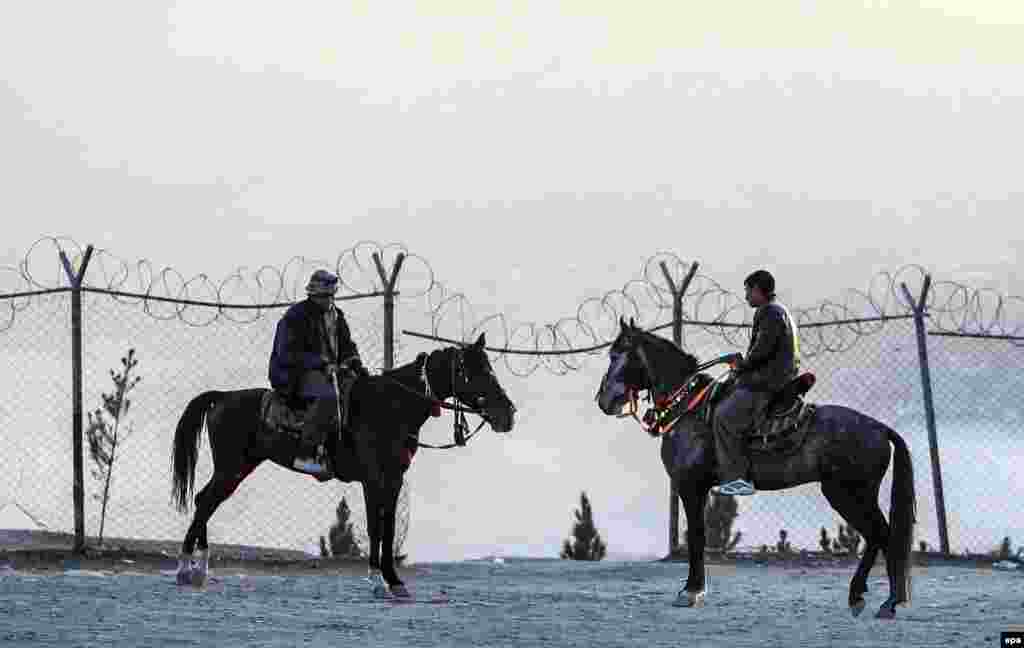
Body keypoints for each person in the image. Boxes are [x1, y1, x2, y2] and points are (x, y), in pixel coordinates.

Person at [268, 269, 369, 475]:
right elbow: (287, 353)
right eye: (325, 296)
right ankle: (306, 455)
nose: (329, 300)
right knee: (329, 396)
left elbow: (347, 345)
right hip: (293, 374)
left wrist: (355, 363)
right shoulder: (296, 316)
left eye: (332, 295)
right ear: (313, 294)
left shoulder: (336, 316)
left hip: (329, 371)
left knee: (358, 388)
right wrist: (322, 363)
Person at [712, 270, 801, 496]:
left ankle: (738, 479)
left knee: (722, 417)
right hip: (778, 376)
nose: (746, 296)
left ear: (759, 290)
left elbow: (762, 350)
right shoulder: (779, 311)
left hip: (767, 382)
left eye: (748, 291)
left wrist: (741, 365)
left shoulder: (769, 312)